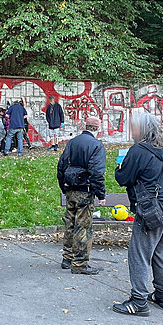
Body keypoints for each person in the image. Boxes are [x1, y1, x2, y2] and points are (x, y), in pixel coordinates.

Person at [112, 112, 163, 317]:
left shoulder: (138, 150)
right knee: (160, 253)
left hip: (150, 211)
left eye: (134, 127)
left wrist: (119, 166)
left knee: (138, 254)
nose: (132, 131)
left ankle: (139, 300)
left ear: (142, 129)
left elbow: (123, 178)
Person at [57, 117, 106, 275]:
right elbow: (97, 172)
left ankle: (67, 258)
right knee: (83, 227)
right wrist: (101, 193)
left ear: (86, 127)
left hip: (70, 189)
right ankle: (80, 263)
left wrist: (63, 187)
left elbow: (61, 166)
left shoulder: (72, 142)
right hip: (85, 190)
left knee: (70, 224)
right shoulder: (97, 146)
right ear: (97, 129)